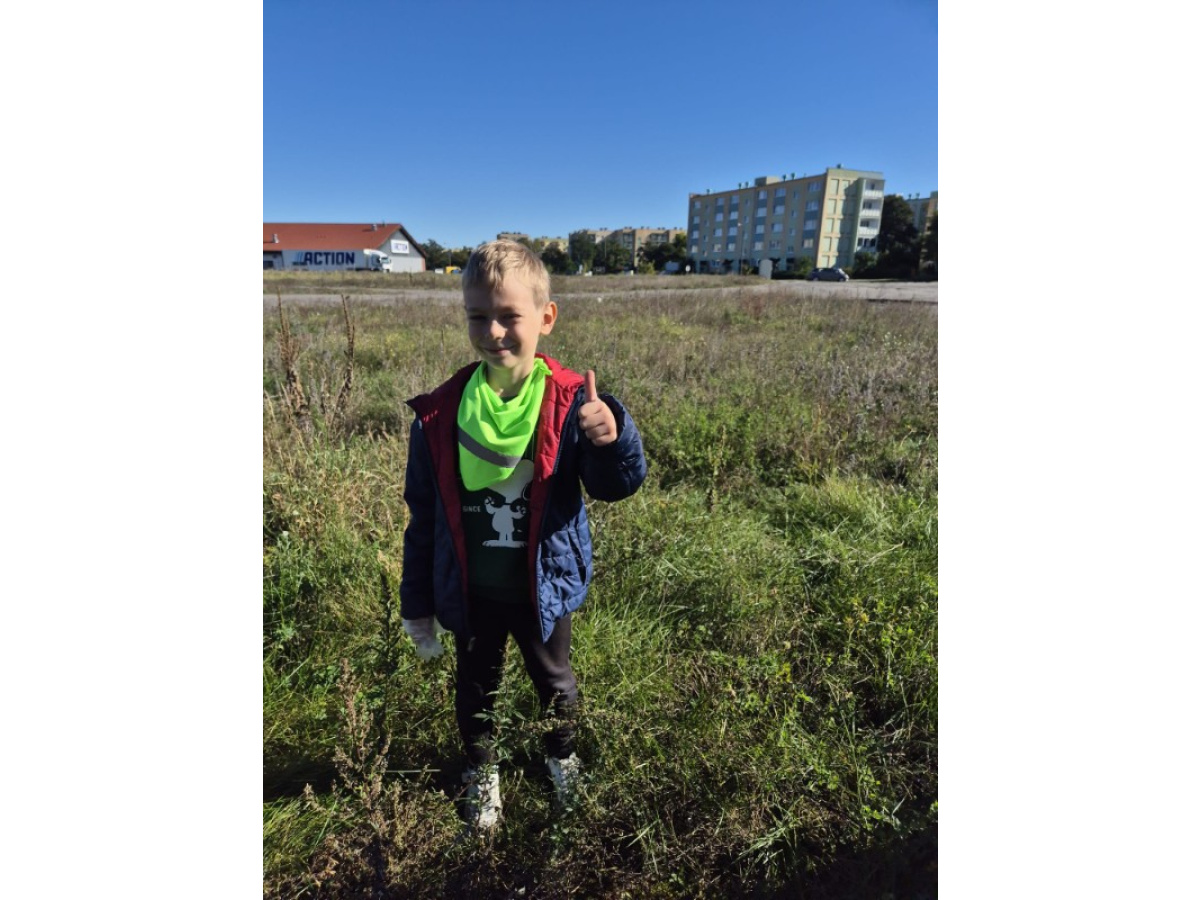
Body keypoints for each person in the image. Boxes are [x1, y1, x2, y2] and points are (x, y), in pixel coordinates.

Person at [399, 239, 647, 832]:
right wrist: (418, 603)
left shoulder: (570, 405)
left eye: (509, 316)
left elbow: (615, 485)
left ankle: (561, 758)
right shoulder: (440, 414)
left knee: (555, 684)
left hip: (542, 590)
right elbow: (423, 518)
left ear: (545, 316)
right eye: (477, 316)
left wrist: (611, 439)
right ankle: (482, 772)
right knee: (475, 688)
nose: (493, 332)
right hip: (472, 591)